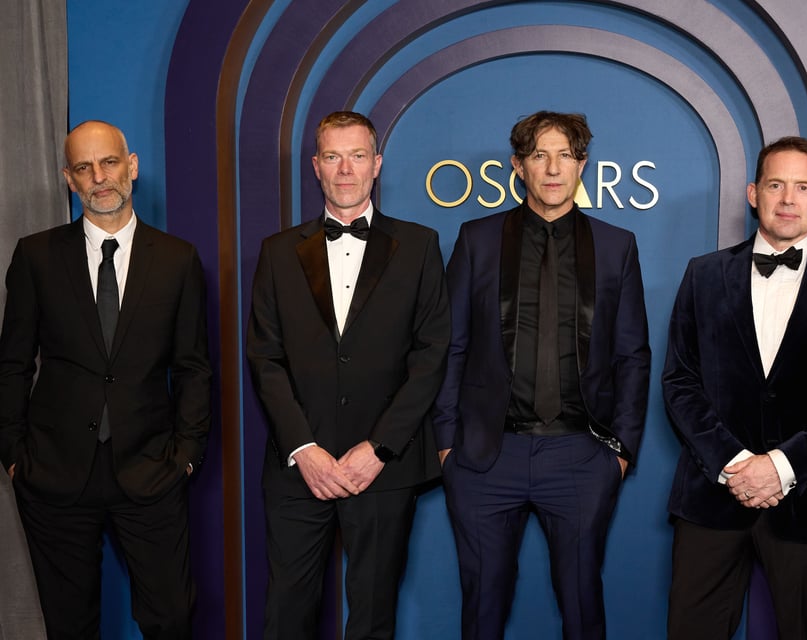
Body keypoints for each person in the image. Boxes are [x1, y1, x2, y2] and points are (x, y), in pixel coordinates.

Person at [434, 111, 651, 639]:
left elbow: (633, 355)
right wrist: (445, 444)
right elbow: (451, 346)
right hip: (487, 456)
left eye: (565, 155)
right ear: (518, 166)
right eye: (538, 155)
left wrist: (619, 452)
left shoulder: (617, 244)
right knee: (481, 608)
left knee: (583, 608)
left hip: (580, 454)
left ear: (582, 164)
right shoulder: (477, 239)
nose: (552, 169)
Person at [662, 136, 807, 639]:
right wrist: (737, 464)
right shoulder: (703, 275)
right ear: (753, 193)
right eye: (776, 185)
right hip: (711, 498)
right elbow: (680, 381)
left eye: (802, 187)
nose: (788, 199)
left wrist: (780, 468)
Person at [0, 120, 212, 639]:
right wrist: (13, 456)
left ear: (132, 167)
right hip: (53, 475)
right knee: (70, 625)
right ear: (69, 179)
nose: (99, 177)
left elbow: (192, 367)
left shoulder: (178, 259)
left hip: (151, 469)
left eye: (109, 162)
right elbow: (12, 362)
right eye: (84, 168)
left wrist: (185, 455)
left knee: (171, 618)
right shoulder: (36, 255)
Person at [246, 111, 450, 639]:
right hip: (298, 468)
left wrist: (378, 448)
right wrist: (303, 449)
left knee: (373, 618)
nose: (345, 170)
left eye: (357, 156)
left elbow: (431, 356)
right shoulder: (276, 251)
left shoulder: (420, 245)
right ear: (315, 166)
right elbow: (265, 358)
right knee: (286, 617)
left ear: (376, 164)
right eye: (332, 156)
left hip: (383, 469)